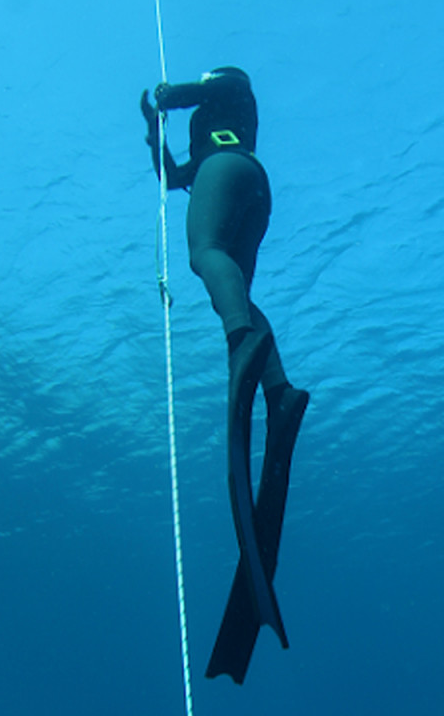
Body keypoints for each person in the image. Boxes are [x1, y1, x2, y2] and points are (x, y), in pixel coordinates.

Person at [140, 67, 309, 682]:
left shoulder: (229, 85)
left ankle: (241, 342)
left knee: (204, 256)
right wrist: (150, 128)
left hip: (230, 172)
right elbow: (171, 177)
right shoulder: (220, 124)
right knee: (235, 281)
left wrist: (159, 98)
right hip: (251, 187)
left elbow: (179, 94)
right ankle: (277, 389)